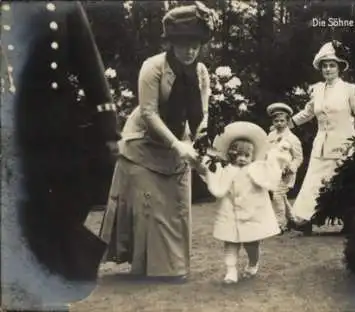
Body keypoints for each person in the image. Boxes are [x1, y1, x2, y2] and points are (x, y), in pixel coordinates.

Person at [2, 1, 119, 309]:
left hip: (57, 133)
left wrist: (107, 128)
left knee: (58, 219)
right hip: (10, 132)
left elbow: (89, 64)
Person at [98, 2, 217, 283]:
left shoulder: (201, 73)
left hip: (180, 141)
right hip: (143, 143)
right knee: (152, 209)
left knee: (178, 205)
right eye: (183, 44)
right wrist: (177, 145)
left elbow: (203, 111)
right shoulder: (153, 68)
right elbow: (149, 113)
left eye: (195, 45)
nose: (189, 51)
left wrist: (199, 143)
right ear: (171, 43)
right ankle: (149, 268)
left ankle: (174, 267)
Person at [289, 42, 355, 235]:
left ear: (339, 68)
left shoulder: (349, 89)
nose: (328, 69)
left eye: (332, 65)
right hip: (321, 143)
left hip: (345, 142)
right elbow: (307, 113)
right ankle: (305, 220)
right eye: (325, 65)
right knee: (314, 180)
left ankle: (350, 219)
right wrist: (287, 124)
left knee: (342, 181)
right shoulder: (316, 90)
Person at [193, 121, 283, 284]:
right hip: (230, 212)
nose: (242, 159)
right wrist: (203, 163)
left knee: (251, 244)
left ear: (252, 155)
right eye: (237, 155)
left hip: (251, 213)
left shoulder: (256, 169)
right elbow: (211, 176)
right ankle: (231, 271)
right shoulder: (226, 169)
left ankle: (253, 263)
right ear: (230, 155)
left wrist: (276, 154)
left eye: (246, 156)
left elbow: (272, 174)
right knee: (230, 242)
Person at [266, 102, 304, 233]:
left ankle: (280, 224)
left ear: (288, 121)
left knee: (277, 195)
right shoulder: (270, 136)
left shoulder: (292, 139)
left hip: (286, 172)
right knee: (280, 196)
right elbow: (267, 152)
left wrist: (291, 168)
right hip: (273, 171)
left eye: (282, 120)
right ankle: (292, 219)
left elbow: (298, 158)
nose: (279, 123)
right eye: (276, 121)